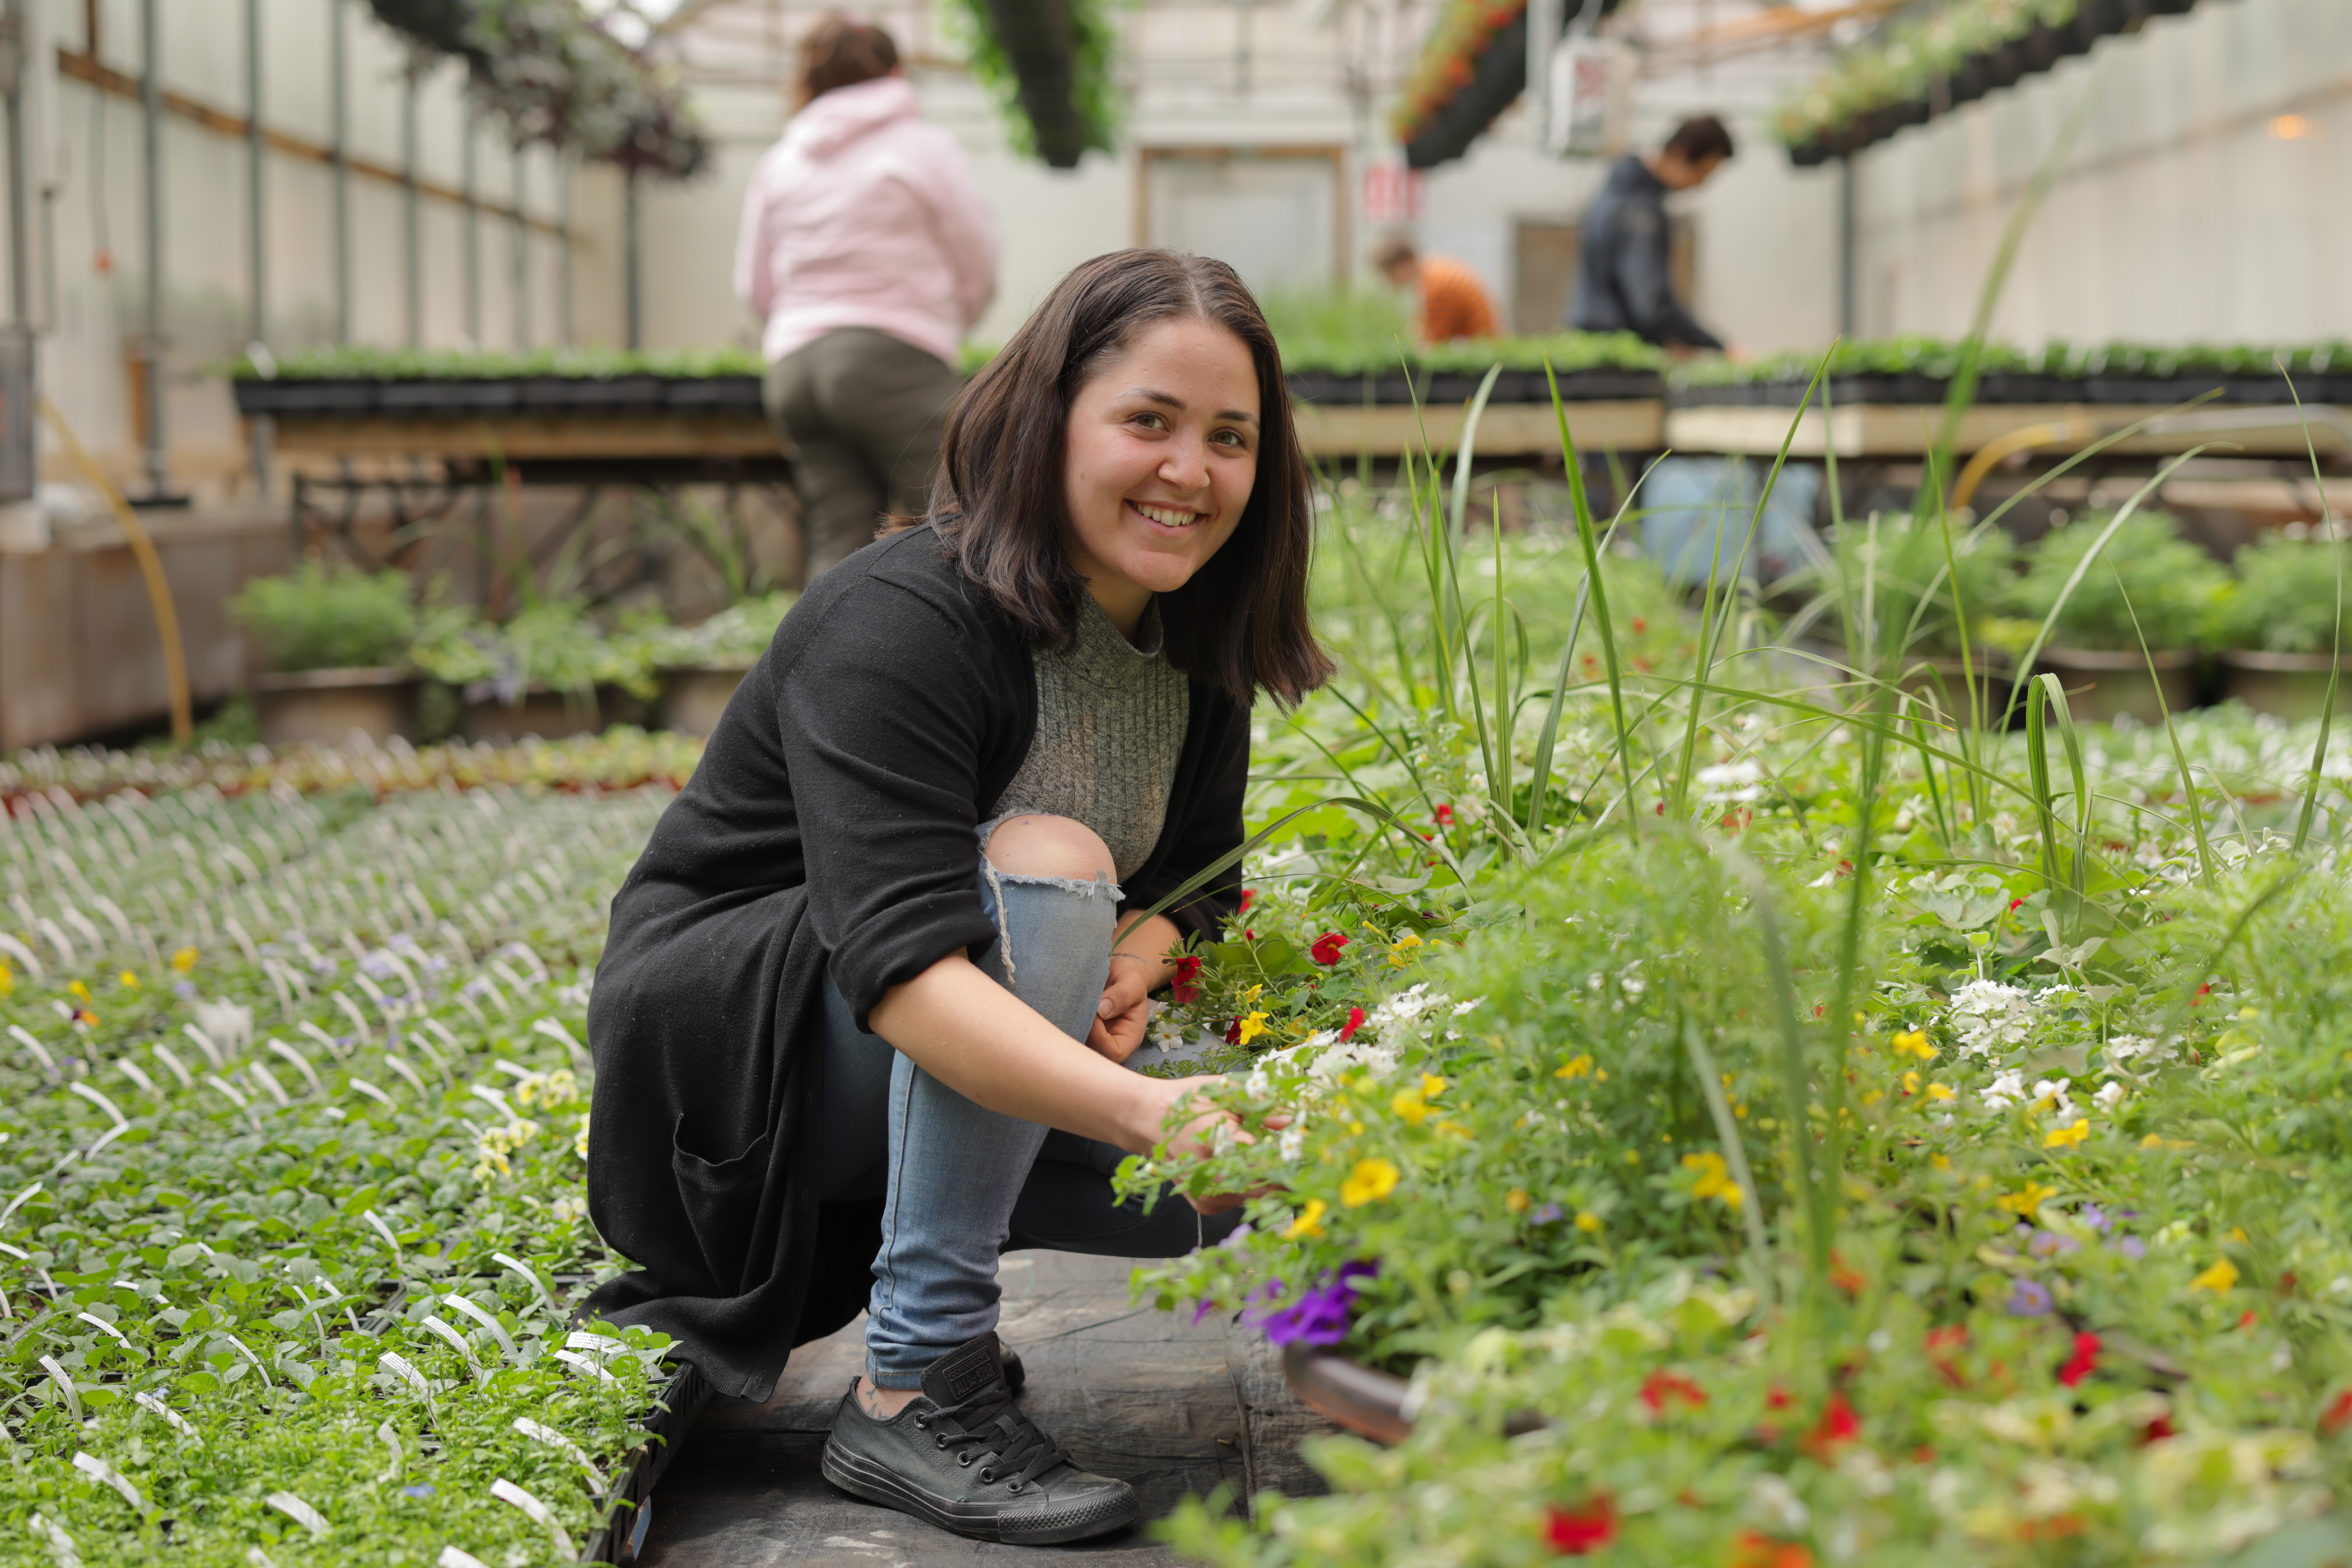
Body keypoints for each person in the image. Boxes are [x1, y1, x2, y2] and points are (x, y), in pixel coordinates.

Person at [584, 249, 1333, 1546]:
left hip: (918, 1032)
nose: (1191, 472)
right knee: (1052, 861)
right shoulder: (903, 618)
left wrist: (1137, 961)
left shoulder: (1187, 653)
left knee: (1234, 1143)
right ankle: (917, 1378)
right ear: (1050, 422)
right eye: (1148, 421)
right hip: (736, 1070)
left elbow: (1205, 887)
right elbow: (903, 961)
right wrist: (1158, 1108)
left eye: (1230, 437)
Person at [734, 16, 999, 581]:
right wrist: (947, 325)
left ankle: (823, 671)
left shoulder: (780, 160)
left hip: (794, 370)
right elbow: (977, 257)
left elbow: (754, 286)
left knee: (838, 544)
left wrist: (803, 327)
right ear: (896, 71)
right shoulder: (923, 147)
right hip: (891, 357)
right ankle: (952, 670)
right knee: (957, 523)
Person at [1570, 114, 1735, 355]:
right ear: (1679, 153)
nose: (1700, 185)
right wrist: (1721, 347)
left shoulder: (1615, 188)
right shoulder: (1642, 213)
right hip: (1618, 357)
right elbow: (1652, 306)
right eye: (1702, 172)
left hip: (1588, 345)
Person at [1372, 236, 1500, 343]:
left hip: (1478, 344)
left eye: (1388, 273)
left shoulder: (1437, 285)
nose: (1389, 281)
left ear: (1401, 266)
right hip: (1475, 340)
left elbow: (1434, 339)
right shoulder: (1432, 268)